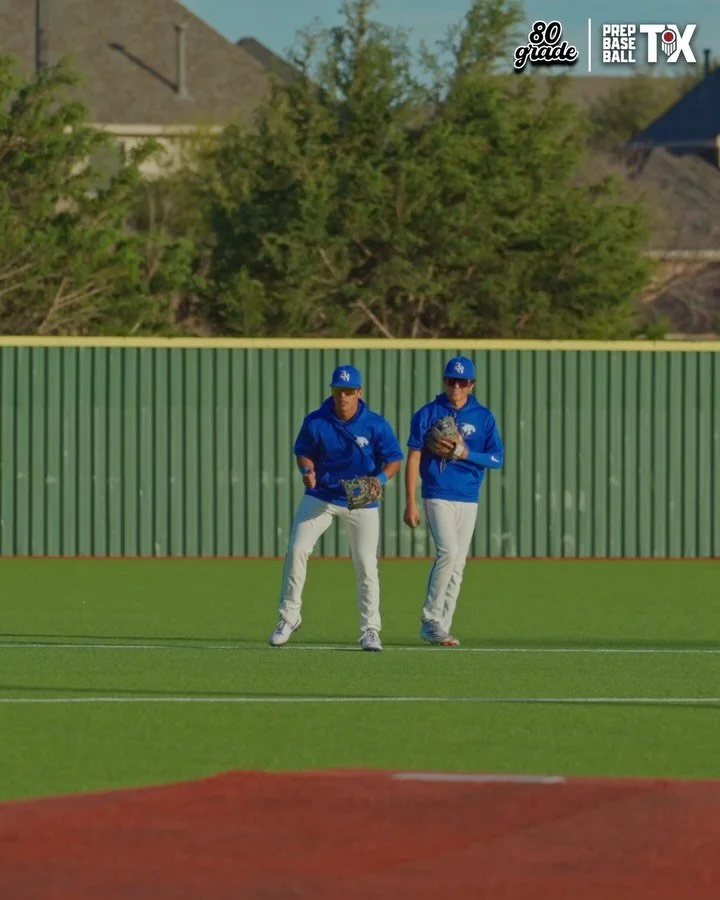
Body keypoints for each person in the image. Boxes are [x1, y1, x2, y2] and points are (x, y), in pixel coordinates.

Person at [270, 364, 404, 652]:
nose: (342, 397)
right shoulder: (316, 421)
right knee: (297, 550)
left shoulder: (375, 424)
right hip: (322, 495)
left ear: (358, 392)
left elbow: (394, 459)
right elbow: (303, 453)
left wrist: (379, 479)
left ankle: (370, 629)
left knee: (366, 563)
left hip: (362, 500)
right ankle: (289, 616)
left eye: (347, 391)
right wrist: (306, 469)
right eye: (337, 391)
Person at [404, 355, 504, 647]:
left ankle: (442, 627)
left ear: (472, 385)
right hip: (437, 493)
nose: (456, 387)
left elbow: (497, 459)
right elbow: (414, 456)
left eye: (463, 382)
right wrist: (410, 500)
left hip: (468, 496)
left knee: (458, 564)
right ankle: (430, 619)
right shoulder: (427, 413)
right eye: (451, 380)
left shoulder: (483, 417)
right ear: (444, 381)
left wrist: (465, 453)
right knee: (448, 552)